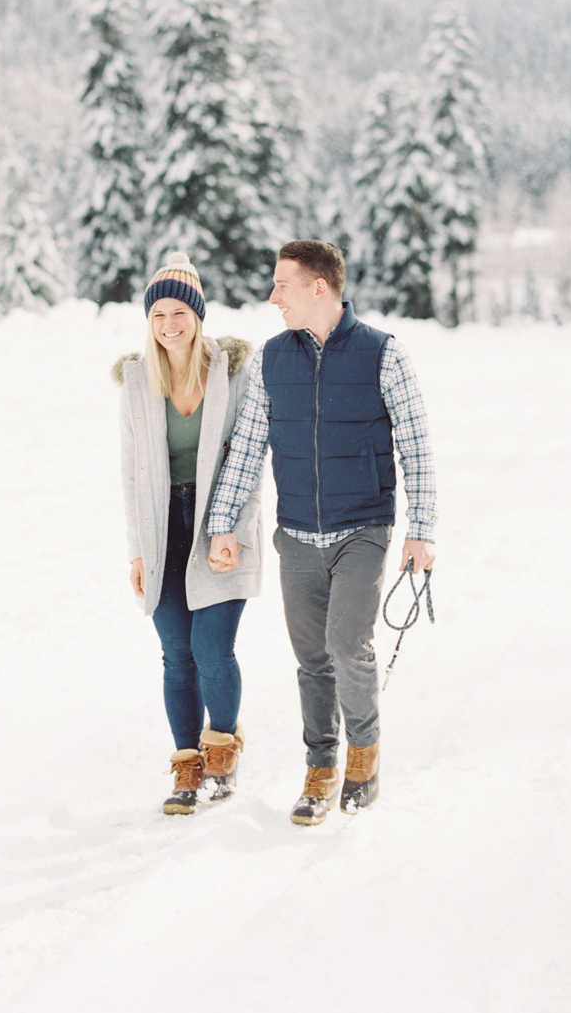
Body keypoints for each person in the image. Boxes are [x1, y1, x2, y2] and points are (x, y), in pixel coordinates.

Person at [207, 240, 436, 826]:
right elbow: (247, 450)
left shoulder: (384, 354)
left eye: (282, 285)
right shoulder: (270, 359)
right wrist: (222, 524)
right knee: (311, 658)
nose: (272, 296)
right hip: (297, 535)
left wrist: (423, 530)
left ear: (318, 288)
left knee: (345, 645)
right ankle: (321, 765)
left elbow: (416, 448)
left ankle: (364, 754)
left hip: (363, 527)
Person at [115, 252, 262, 815]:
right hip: (161, 529)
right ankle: (186, 763)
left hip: (217, 522)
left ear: (198, 315)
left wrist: (237, 531)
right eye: (158, 315)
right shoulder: (136, 382)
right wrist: (136, 552)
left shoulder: (235, 372)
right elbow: (131, 475)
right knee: (176, 654)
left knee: (210, 648)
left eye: (180, 311)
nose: (169, 324)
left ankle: (221, 744)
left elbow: (250, 461)